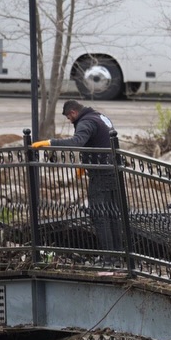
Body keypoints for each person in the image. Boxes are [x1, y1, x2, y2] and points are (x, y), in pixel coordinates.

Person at [31, 100, 122, 254]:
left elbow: (77, 141)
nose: (69, 120)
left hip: (101, 174)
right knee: (112, 213)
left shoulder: (86, 122)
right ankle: (119, 253)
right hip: (113, 169)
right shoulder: (99, 116)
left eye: (68, 117)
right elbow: (99, 142)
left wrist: (49, 142)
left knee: (99, 214)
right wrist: (84, 162)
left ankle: (110, 258)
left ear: (73, 112)